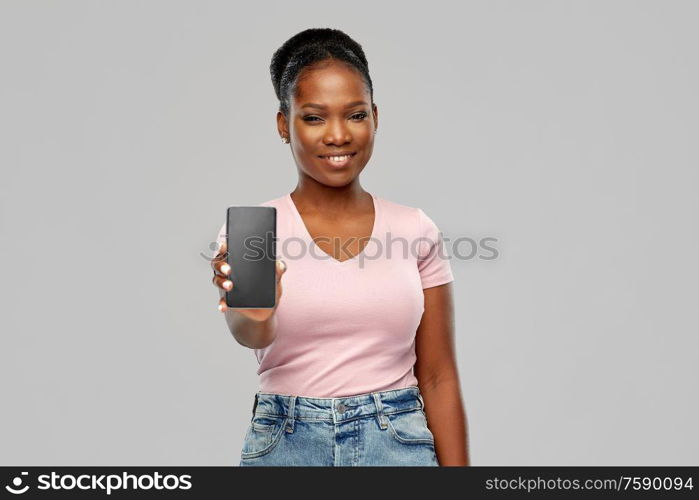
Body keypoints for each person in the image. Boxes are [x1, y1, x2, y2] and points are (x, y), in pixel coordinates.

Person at [210, 28, 469, 466]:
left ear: (375, 117)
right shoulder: (255, 232)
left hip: (398, 443)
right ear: (283, 124)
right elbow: (250, 334)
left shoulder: (414, 228)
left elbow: (439, 375)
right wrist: (254, 312)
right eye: (313, 117)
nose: (338, 135)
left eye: (355, 115)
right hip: (287, 444)